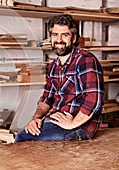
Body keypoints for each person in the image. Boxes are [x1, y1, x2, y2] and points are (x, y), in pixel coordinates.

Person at [15, 14, 105, 142]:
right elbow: (47, 98)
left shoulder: (85, 60)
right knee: (27, 132)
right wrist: (36, 118)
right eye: (55, 35)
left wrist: (72, 123)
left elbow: (94, 101)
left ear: (73, 38)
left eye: (65, 35)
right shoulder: (53, 66)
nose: (59, 39)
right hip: (57, 121)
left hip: (80, 126)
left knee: (23, 137)